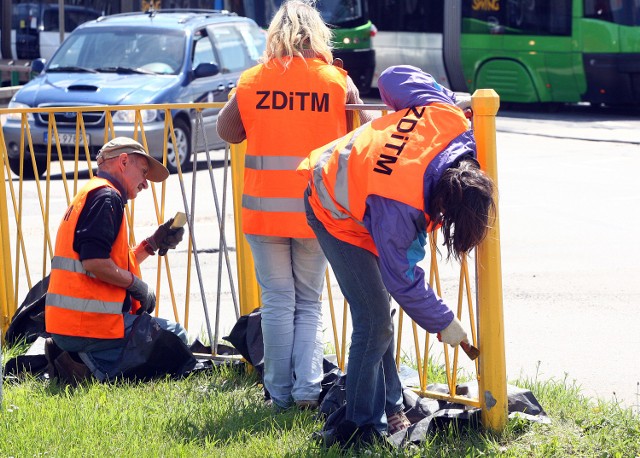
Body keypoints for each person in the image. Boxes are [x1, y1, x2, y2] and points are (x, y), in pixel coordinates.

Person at [298, 65, 496, 446]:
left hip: (364, 196)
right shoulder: (400, 208)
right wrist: (446, 324)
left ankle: (391, 406)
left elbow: (391, 77)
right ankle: (358, 424)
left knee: (379, 316)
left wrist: (449, 96)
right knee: (374, 320)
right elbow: (402, 279)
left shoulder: (448, 116)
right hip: (331, 207)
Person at [216, 0, 374, 411]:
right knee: (308, 301)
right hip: (316, 211)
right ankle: (307, 391)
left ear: (275, 34)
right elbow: (356, 134)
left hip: (264, 212)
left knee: (277, 301)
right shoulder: (336, 82)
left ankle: (278, 394)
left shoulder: (252, 80)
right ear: (317, 33)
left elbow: (228, 132)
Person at [44, 137, 187, 382]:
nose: (145, 184)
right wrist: (137, 286)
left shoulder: (93, 193)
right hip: (89, 326)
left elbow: (109, 262)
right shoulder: (106, 198)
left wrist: (152, 243)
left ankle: (78, 358)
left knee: (165, 340)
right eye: (143, 173)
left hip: (69, 325)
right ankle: (89, 365)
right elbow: (95, 263)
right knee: (176, 338)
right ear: (123, 162)